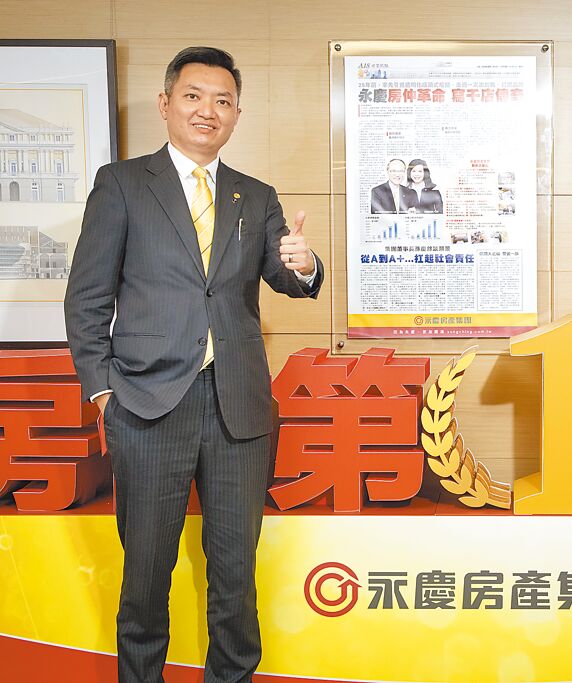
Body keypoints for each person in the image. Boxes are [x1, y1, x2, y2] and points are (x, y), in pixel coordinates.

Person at [64, 46, 323, 683]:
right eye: (193, 96)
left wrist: (304, 264)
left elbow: (285, 278)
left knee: (234, 575)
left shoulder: (254, 196)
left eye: (223, 100)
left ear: (236, 114)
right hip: (146, 406)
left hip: (237, 408)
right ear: (166, 104)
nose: (208, 110)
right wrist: (103, 392)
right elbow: (88, 298)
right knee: (146, 575)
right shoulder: (123, 184)